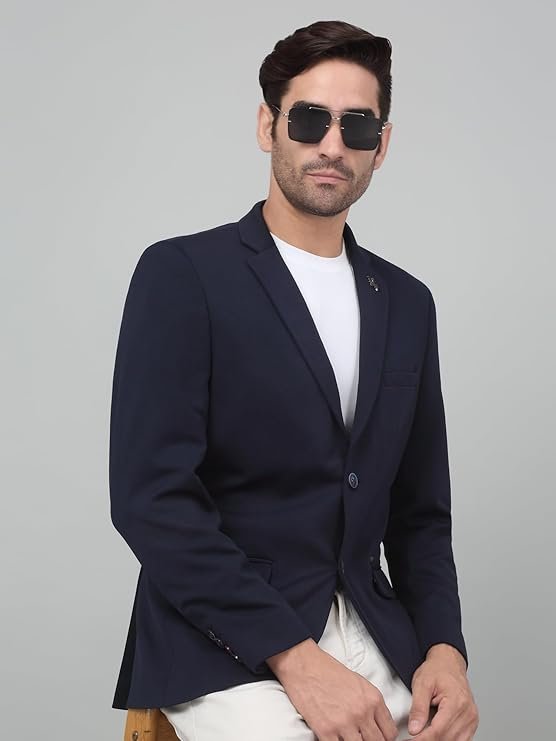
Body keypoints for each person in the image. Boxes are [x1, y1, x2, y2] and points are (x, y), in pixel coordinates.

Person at [109, 19, 479, 741]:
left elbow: (419, 512)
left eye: (357, 125)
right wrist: (296, 658)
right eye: (309, 119)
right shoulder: (185, 275)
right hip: (222, 635)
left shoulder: (408, 303)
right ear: (267, 126)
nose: (332, 145)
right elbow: (152, 499)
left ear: (382, 145)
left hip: (372, 624)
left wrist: (445, 647)